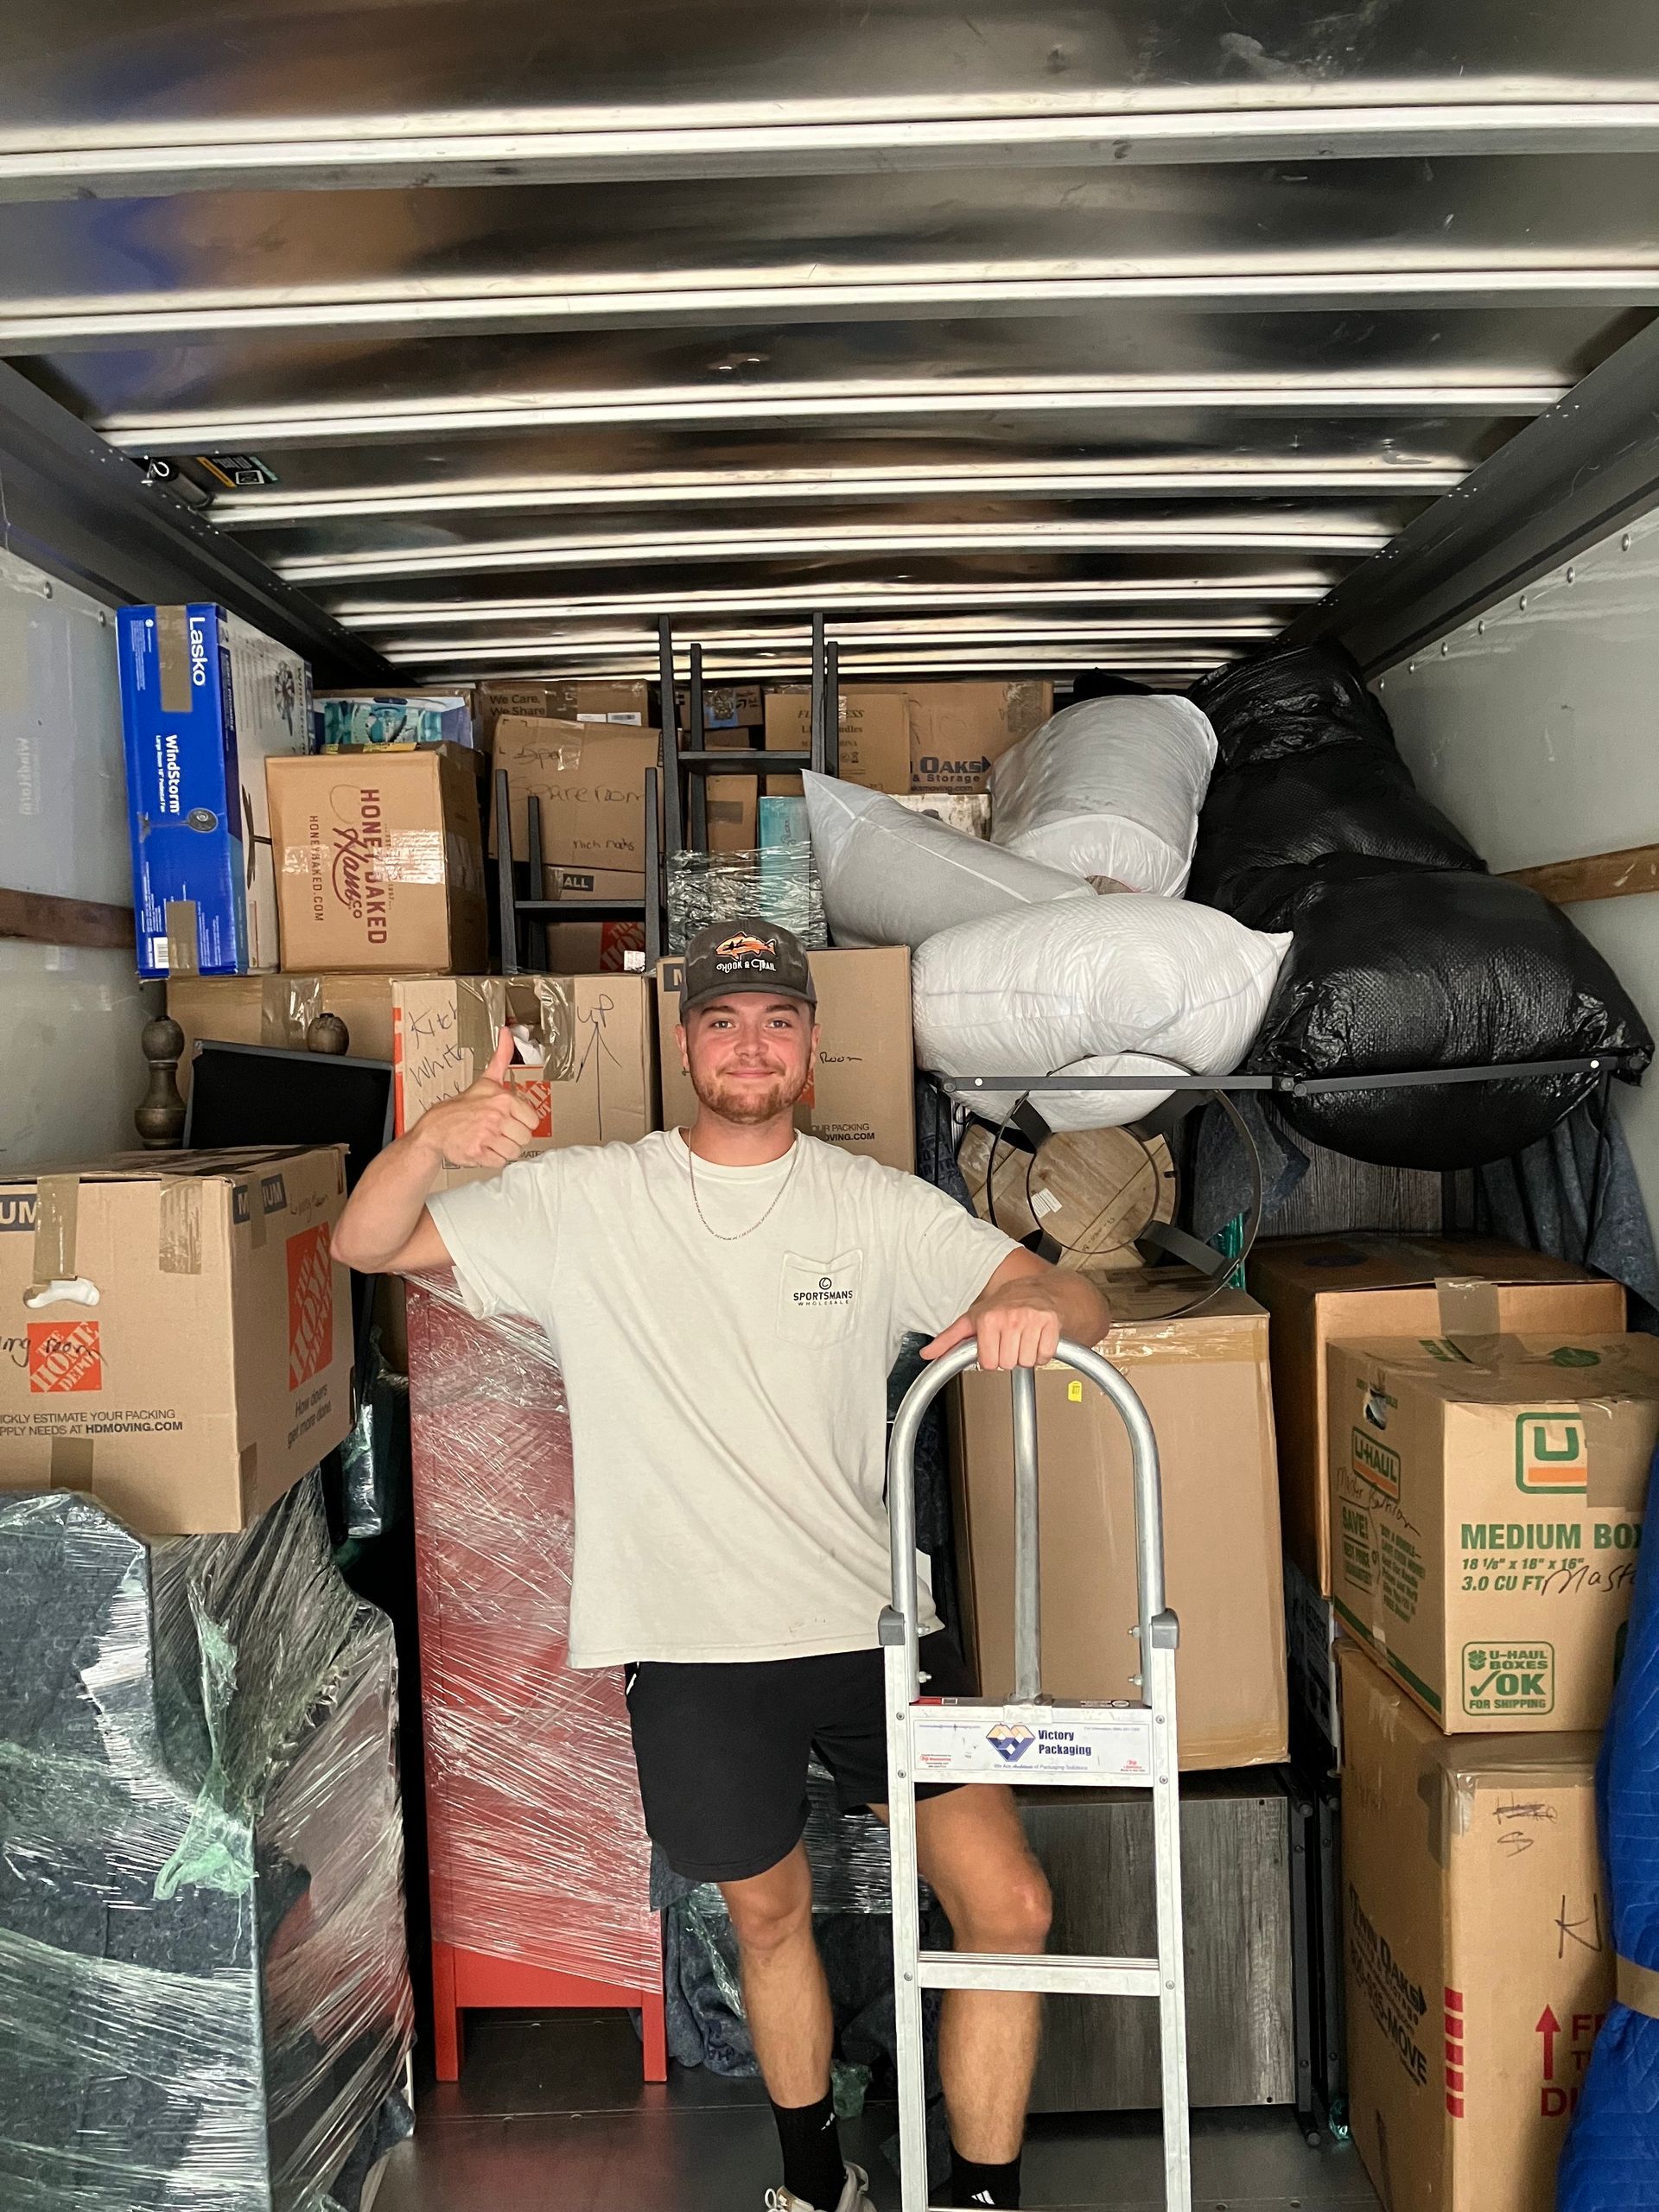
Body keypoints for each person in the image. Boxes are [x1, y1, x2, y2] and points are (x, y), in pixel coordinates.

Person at [334, 917, 1111, 2212]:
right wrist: (429, 1143)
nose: (751, 1045)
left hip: (875, 1629)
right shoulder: (586, 1200)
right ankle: (814, 2181)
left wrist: (1036, 1301)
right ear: (686, 1044)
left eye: (777, 1021)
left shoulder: (873, 1207)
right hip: (692, 1642)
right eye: (723, 1020)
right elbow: (366, 1244)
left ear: (811, 1046)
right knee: (767, 1914)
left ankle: (984, 2196)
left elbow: (1077, 1299)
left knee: (1009, 1905)